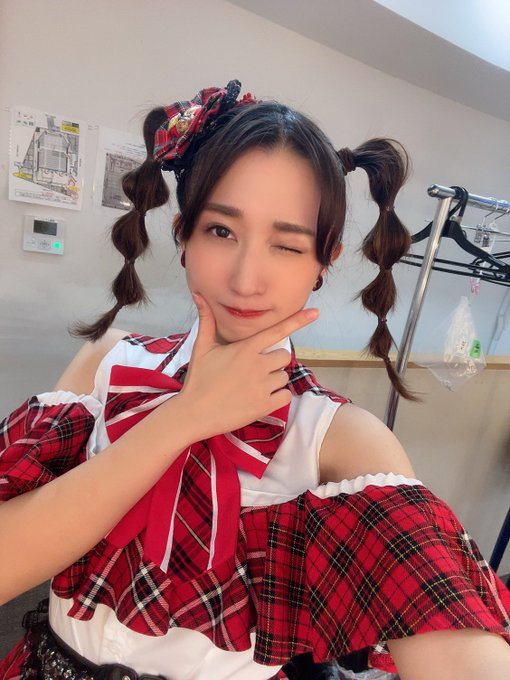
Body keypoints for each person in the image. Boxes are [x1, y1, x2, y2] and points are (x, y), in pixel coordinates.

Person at [0, 80, 509, 680]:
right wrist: (185, 418)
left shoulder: (342, 439)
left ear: (324, 262)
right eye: (221, 231)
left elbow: (453, 640)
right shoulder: (105, 362)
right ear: (183, 234)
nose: (246, 279)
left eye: (287, 246)